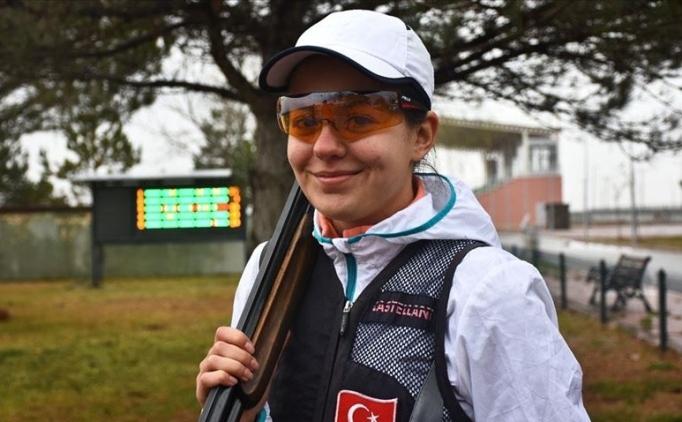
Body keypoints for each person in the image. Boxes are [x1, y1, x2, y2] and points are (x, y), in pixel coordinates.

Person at [197, 9, 591, 422]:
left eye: (358, 118)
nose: (324, 146)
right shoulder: (269, 271)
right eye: (305, 120)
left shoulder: (489, 292)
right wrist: (246, 416)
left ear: (421, 135)